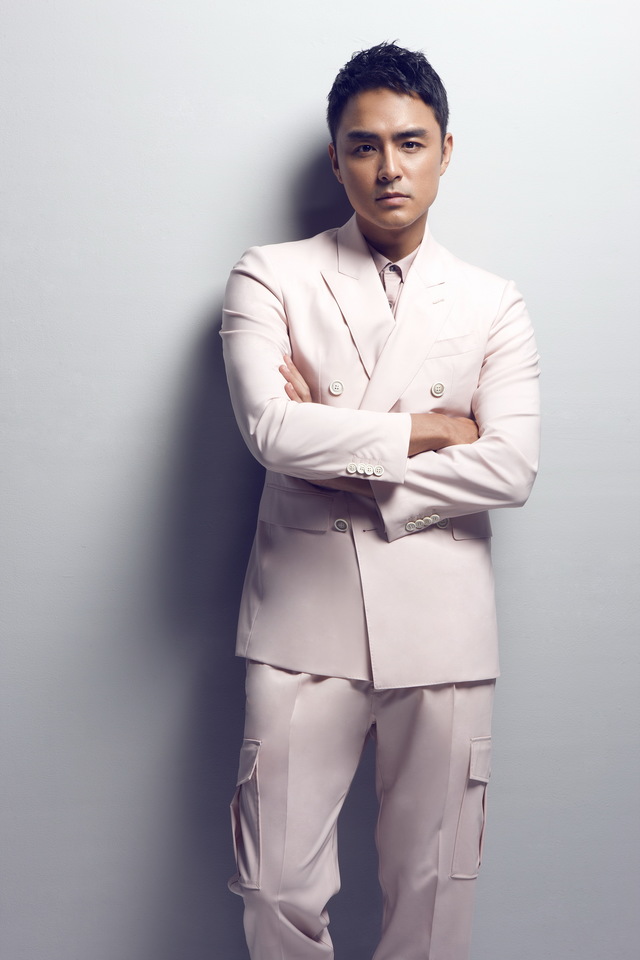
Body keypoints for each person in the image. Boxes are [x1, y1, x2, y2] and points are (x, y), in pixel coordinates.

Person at [221, 41, 540, 960]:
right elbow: (271, 432)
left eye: (410, 142)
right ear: (336, 159)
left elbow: (512, 469)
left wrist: (338, 451)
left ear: (446, 150)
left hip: (444, 626)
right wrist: (431, 429)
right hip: (300, 622)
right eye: (364, 146)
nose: (388, 167)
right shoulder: (271, 274)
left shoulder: (492, 303)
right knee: (273, 887)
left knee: (434, 900)